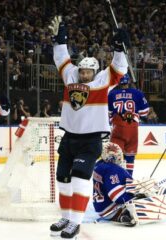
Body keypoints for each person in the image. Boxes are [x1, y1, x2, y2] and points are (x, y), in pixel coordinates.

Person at [48, 15, 128, 239]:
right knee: (63, 178)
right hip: (69, 138)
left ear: (94, 72)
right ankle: (65, 216)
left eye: (88, 72)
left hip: (90, 140)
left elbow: (119, 68)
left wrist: (119, 48)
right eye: (82, 71)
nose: (84, 75)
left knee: (80, 179)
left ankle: (75, 222)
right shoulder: (70, 76)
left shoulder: (102, 82)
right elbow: (61, 58)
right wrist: (59, 41)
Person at [93, 142, 166, 226]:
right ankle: (123, 215)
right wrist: (136, 194)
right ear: (114, 157)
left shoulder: (99, 165)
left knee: (145, 188)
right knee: (149, 196)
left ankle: (124, 214)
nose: (120, 157)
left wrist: (137, 187)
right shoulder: (112, 169)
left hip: (101, 206)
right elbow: (116, 195)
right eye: (119, 155)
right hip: (112, 209)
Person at [108, 73, 150, 176]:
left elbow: (108, 113)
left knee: (114, 155)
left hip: (117, 127)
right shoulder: (137, 93)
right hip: (132, 127)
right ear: (129, 82)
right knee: (130, 156)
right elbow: (145, 112)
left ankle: (115, 179)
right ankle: (128, 178)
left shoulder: (112, 94)